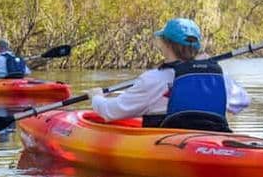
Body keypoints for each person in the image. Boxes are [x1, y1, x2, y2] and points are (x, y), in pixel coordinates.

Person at [87, 18, 249, 131]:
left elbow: (110, 112)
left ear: (165, 44)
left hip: (168, 141)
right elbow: (242, 101)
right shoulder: (217, 76)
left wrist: (96, 97)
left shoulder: (152, 79)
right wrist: (206, 67)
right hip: (209, 139)